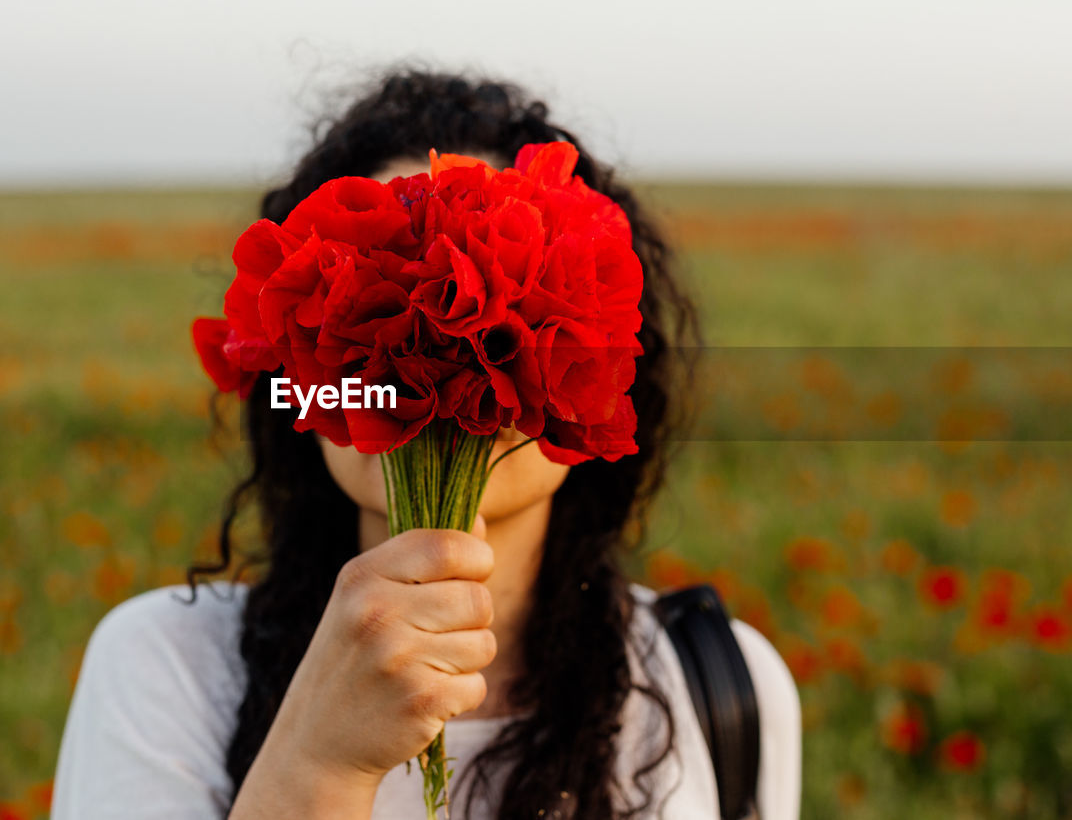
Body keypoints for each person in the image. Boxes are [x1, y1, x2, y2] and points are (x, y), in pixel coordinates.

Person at [51, 67, 801, 819]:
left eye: (505, 315)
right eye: (373, 310)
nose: (439, 371)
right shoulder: (164, 666)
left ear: (604, 359)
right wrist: (319, 759)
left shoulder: (718, 685)